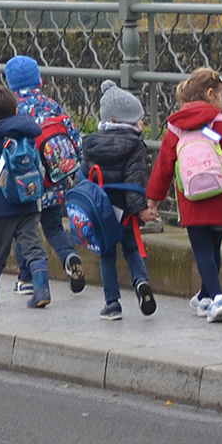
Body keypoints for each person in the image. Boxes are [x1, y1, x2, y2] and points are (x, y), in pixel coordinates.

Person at [146, 68, 222, 323]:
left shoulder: (175, 128)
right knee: (214, 248)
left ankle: (215, 298)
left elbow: (163, 167)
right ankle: (206, 297)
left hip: (192, 200)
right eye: (221, 95)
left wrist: (153, 200)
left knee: (202, 250)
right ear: (209, 94)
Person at [3, 56, 85, 295]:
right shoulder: (51, 105)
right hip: (55, 180)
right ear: (39, 79)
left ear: (9, 83)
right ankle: (69, 256)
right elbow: (74, 139)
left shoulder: (12, 110)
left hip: (25, 184)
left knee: (23, 230)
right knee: (53, 228)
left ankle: (27, 278)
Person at [80, 80, 158, 320]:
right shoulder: (134, 145)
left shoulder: (91, 144)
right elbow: (134, 182)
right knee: (132, 249)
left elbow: (83, 178)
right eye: (137, 119)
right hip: (124, 211)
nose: (141, 123)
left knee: (107, 255)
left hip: (101, 210)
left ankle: (112, 304)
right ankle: (141, 282)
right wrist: (141, 209)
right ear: (118, 120)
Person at [0, 83, 51, 308]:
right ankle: (41, 287)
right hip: (29, 201)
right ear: (16, 110)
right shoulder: (28, 134)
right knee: (33, 244)